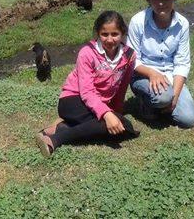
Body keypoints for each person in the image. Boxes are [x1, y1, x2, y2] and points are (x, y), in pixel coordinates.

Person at [35, 11, 138, 158]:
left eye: (115, 34)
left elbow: (122, 87)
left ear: (123, 33)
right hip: (73, 100)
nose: (109, 39)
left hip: (96, 105)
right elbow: (87, 92)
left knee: (124, 128)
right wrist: (107, 114)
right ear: (97, 33)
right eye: (104, 34)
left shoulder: (129, 56)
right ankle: (55, 139)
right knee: (109, 125)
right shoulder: (87, 53)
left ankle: (61, 127)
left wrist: (116, 112)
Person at [127, 0, 194, 128]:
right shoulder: (138, 21)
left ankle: (160, 104)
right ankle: (146, 102)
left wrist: (176, 96)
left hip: (170, 76)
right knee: (163, 98)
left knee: (188, 120)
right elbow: (131, 59)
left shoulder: (182, 24)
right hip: (142, 74)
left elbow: (182, 62)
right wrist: (152, 74)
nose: (161, 3)